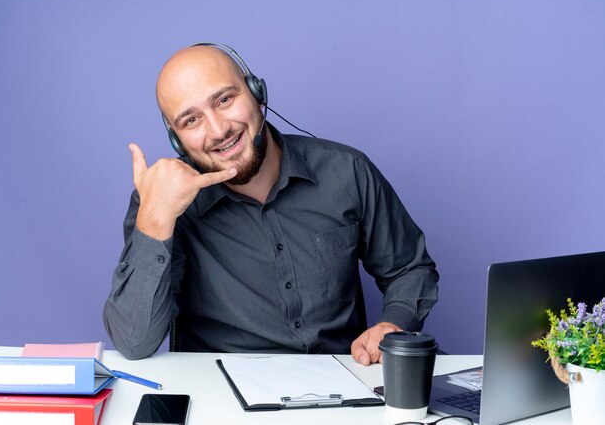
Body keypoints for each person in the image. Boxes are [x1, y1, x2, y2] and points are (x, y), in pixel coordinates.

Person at [103, 43, 439, 365]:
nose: (218, 130)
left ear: (256, 93)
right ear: (177, 139)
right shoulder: (161, 202)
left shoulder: (347, 171)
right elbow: (135, 342)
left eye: (223, 99)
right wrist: (155, 220)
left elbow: (409, 268)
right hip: (221, 398)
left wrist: (393, 324)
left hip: (344, 384)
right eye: (191, 120)